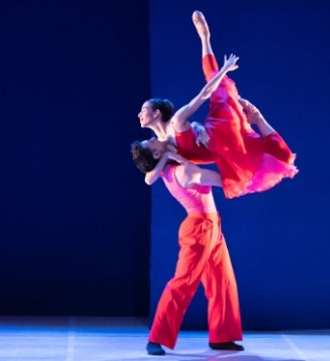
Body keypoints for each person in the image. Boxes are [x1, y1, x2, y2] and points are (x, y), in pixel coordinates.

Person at [138, 10, 298, 199]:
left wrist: (224, 70)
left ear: (157, 113)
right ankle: (257, 117)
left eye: (143, 110)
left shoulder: (176, 123)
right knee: (278, 158)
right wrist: (170, 154)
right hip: (224, 149)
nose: (139, 114)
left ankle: (205, 37)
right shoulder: (158, 145)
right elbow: (148, 179)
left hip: (221, 133)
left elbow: (204, 94)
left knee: (217, 86)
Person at [131, 139, 244, 356]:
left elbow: (151, 172)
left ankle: (222, 337)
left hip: (211, 226)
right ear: (156, 155)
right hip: (199, 229)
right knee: (183, 283)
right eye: (152, 142)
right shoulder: (183, 170)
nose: (156, 138)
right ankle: (156, 338)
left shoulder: (168, 166)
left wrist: (167, 154)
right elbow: (226, 181)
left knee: (223, 282)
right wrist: (245, 165)